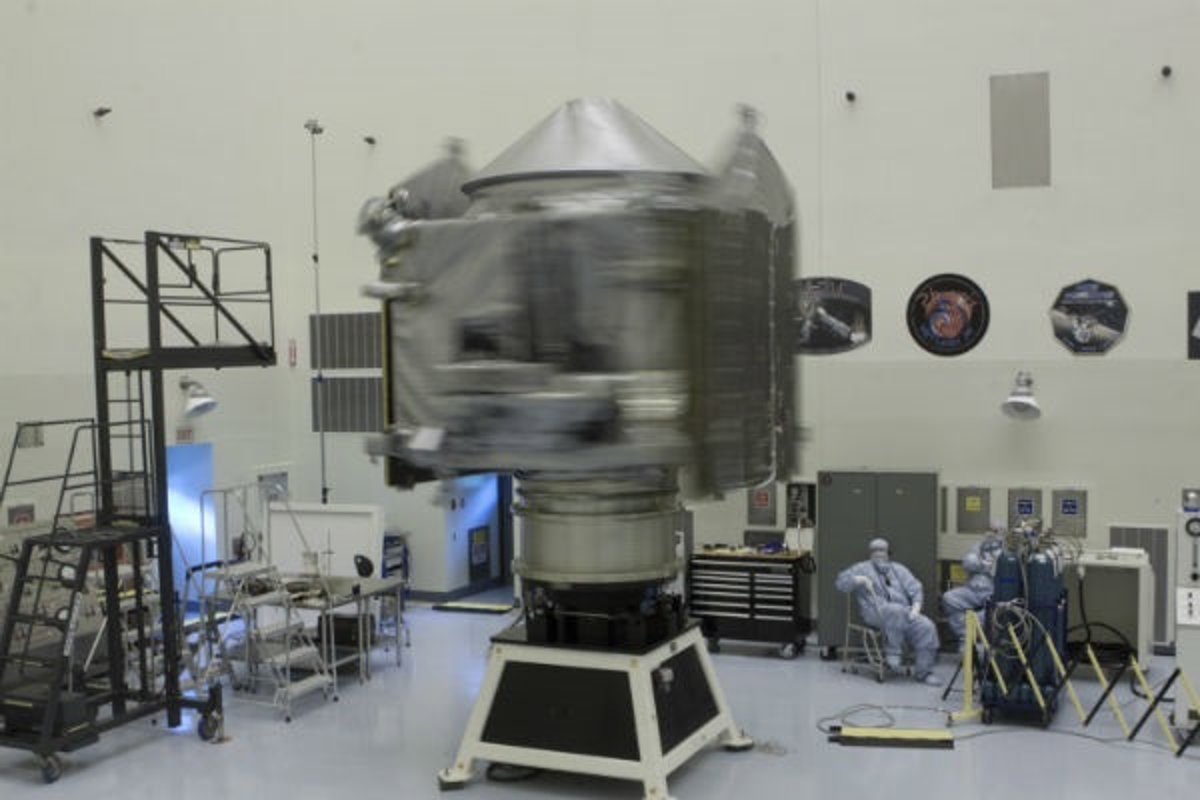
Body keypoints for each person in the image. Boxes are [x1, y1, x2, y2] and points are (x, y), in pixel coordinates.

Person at [836, 537, 941, 685]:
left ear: (888, 552)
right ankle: (894, 651)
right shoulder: (861, 568)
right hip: (875, 612)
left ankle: (924, 673)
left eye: (882, 550)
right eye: (875, 550)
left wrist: (916, 608)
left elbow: (916, 588)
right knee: (894, 610)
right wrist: (857, 579)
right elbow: (841, 583)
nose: (879, 554)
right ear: (870, 553)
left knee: (927, 626)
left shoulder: (899, 569)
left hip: (904, 613)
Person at [941, 528, 1005, 650]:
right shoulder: (979, 547)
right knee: (949, 598)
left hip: (994, 593)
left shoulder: (1008, 550)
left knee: (994, 611)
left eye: (996, 531)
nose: (992, 534)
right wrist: (984, 565)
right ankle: (965, 634)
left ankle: (977, 628)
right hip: (973, 591)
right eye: (991, 530)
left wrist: (991, 564)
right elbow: (968, 562)